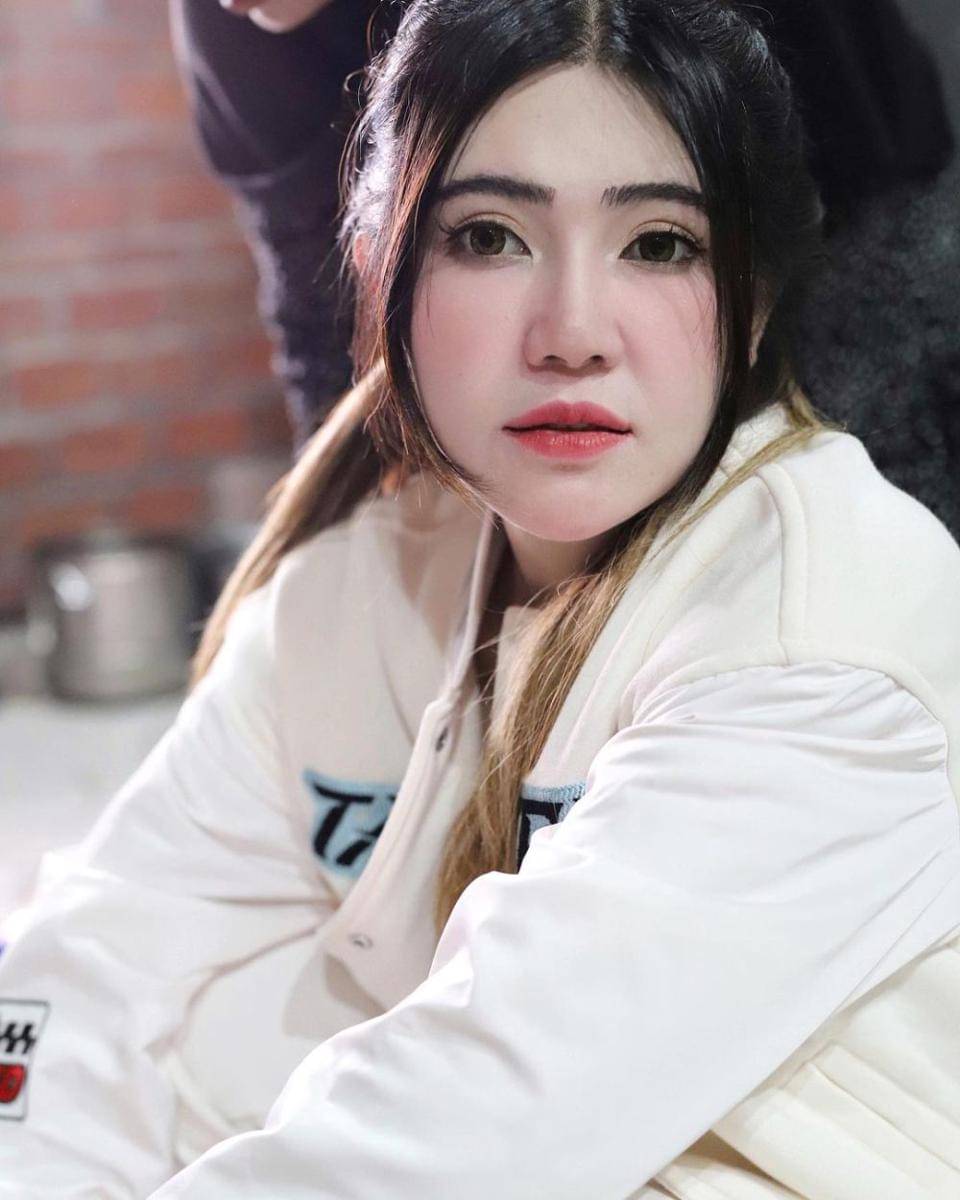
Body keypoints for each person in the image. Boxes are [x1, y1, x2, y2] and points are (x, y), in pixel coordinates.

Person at [2, 1, 960, 1196]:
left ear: (754, 299)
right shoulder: (355, 586)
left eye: (659, 244)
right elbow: (85, 958)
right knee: (215, 1021)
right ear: (385, 276)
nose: (572, 334)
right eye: (490, 236)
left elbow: (462, 1137)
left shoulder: (823, 630)